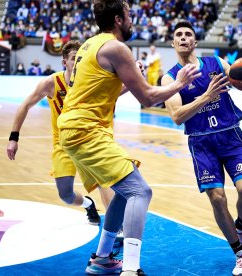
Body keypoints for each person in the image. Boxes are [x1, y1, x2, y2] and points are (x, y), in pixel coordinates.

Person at [57, 1, 201, 275]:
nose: (133, 21)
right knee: (140, 191)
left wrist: (129, 79)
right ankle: (131, 269)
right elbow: (147, 97)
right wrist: (179, 83)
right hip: (86, 130)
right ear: (117, 19)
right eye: (129, 16)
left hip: (76, 129)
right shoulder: (115, 47)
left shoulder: (90, 44)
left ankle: (102, 259)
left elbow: (99, 91)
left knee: (123, 191)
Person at [162, 21, 242, 276]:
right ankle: (241, 253)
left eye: (189, 34)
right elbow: (177, 116)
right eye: (179, 35)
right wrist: (206, 97)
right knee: (217, 198)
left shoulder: (217, 64)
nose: (184, 38)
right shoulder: (170, 78)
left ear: (195, 42)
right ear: (173, 44)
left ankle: (241, 226)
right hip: (201, 142)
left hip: (230, 135)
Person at [6, 40, 115, 226]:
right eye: (74, 59)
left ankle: (116, 225)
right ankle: (88, 204)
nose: (78, 63)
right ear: (65, 62)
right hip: (63, 144)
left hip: (87, 140)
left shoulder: (89, 81)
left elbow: (116, 91)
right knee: (65, 194)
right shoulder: (51, 83)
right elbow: (25, 105)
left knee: (103, 181)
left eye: (80, 59)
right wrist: (13, 138)